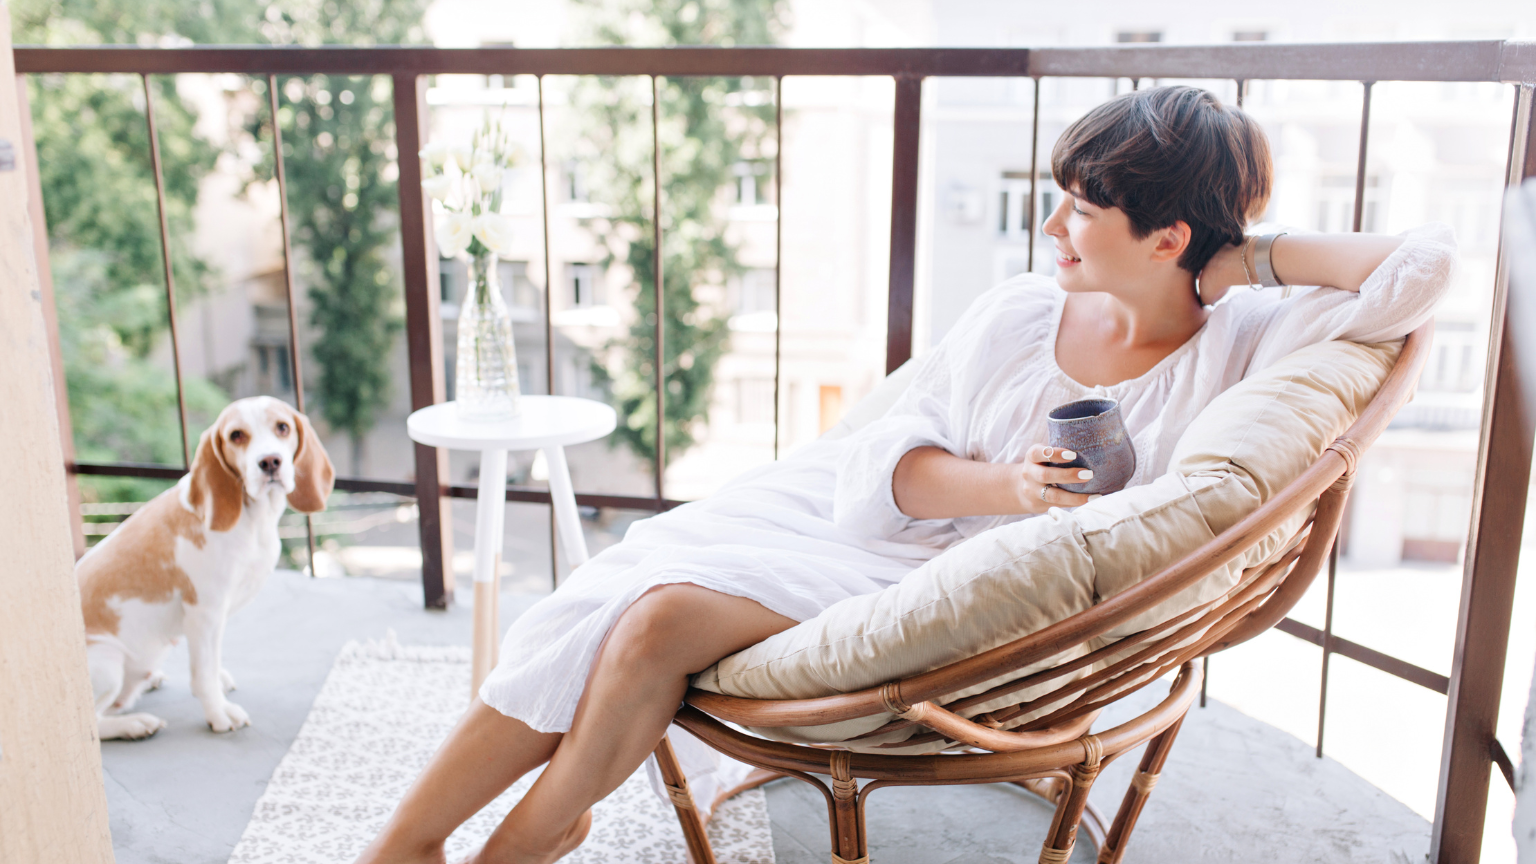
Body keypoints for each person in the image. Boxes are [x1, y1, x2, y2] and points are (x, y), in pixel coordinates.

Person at [356, 85, 1455, 864]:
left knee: (654, 620)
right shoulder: (1025, 311)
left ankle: (534, 834)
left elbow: (1422, 269)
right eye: (1058, 192)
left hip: (972, 587)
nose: (1052, 221)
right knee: (607, 589)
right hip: (878, 515)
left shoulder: (1242, 340)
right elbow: (895, 451)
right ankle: (405, 840)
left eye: (1082, 206)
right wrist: (1008, 486)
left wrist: (1245, 257)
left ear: (1168, 238)